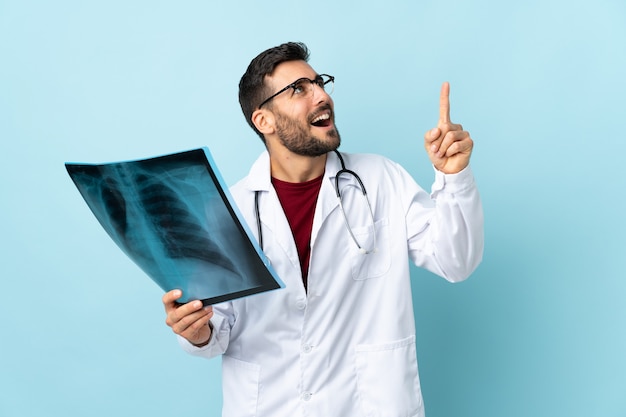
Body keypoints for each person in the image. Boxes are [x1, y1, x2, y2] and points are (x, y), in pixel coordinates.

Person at [162, 41, 483, 417]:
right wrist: (197, 331)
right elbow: (218, 327)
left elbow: (456, 261)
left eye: (319, 83)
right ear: (263, 120)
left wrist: (454, 177)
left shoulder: (381, 180)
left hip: (367, 405)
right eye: (299, 89)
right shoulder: (228, 211)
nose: (321, 96)